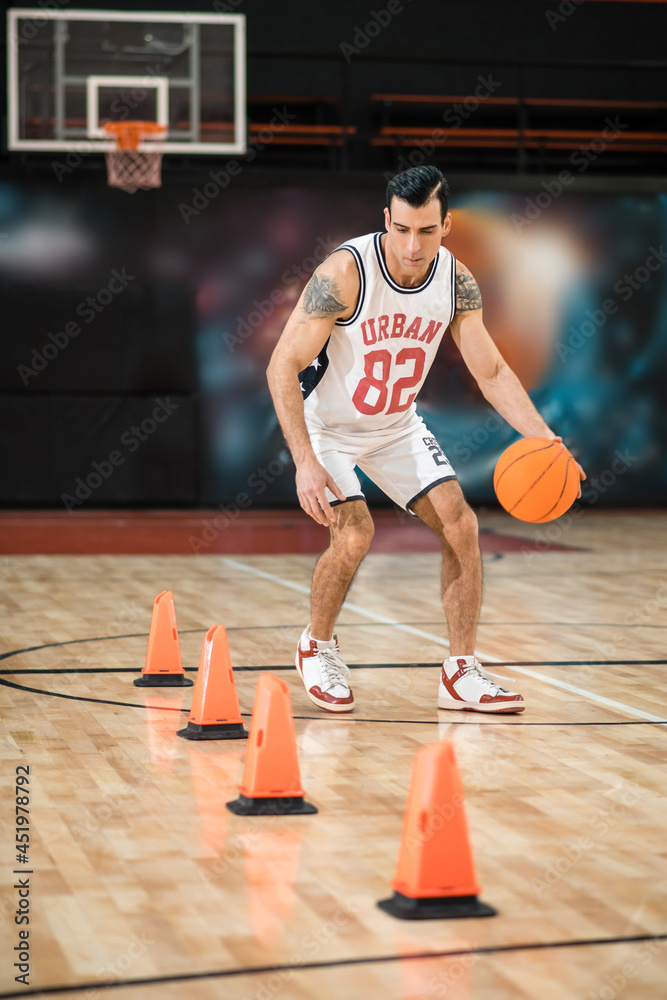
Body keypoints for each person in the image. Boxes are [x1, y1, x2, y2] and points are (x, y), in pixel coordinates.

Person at [267, 165, 584, 715]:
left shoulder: (457, 282)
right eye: (403, 229)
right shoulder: (344, 273)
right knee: (354, 534)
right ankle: (316, 645)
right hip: (329, 430)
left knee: (461, 523)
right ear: (386, 220)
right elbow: (281, 365)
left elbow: (491, 373)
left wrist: (548, 441)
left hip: (396, 427)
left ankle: (461, 672)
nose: (414, 246)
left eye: (428, 231)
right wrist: (304, 460)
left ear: (447, 225)